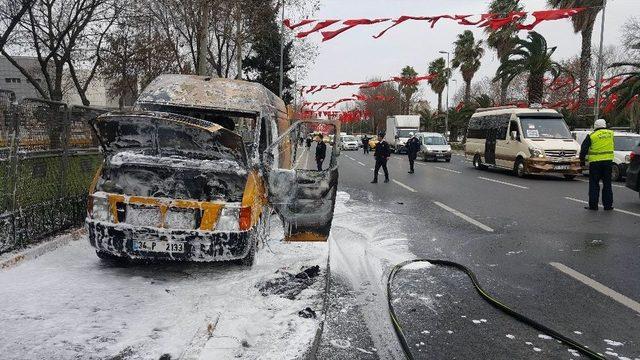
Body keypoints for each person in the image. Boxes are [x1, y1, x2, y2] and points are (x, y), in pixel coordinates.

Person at [579, 119, 614, 211]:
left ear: (595, 126)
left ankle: (593, 206)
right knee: (607, 184)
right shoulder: (611, 134)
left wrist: (581, 161)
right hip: (608, 162)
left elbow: (584, 149)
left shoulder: (591, 136)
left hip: (595, 163)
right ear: (605, 125)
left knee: (594, 184)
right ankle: (608, 206)